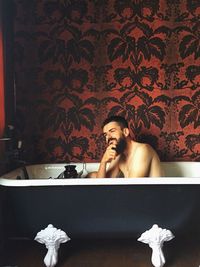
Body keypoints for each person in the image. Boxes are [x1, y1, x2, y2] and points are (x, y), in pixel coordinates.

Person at [87, 115, 163, 178]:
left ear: (125, 132)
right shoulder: (119, 155)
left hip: (153, 195)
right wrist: (103, 161)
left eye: (112, 131)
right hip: (135, 194)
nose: (108, 137)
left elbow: (132, 187)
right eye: (105, 135)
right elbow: (102, 185)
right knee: (91, 176)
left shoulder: (142, 150)